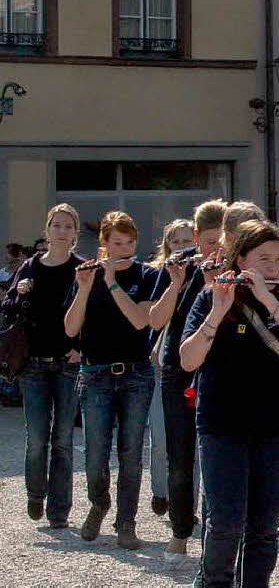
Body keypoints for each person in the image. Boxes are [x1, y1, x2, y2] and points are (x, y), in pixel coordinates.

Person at [180, 220, 279, 588]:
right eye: (262, 258)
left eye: (277, 259)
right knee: (224, 521)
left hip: (277, 424)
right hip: (222, 423)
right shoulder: (211, 296)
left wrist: (270, 299)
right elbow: (187, 359)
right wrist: (218, 312)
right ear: (240, 259)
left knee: (264, 526)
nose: (272, 266)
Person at [64, 211, 161, 549]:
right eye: (116, 243)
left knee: (131, 454)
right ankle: (98, 502)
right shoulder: (87, 276)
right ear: (103, 244)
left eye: (129, 242)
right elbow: (70, 329)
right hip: (95, 375)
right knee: (94, 453)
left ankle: (126, 523)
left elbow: (140, 321)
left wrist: (113, 283)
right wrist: (84, 289)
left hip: (135, 373)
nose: (124, 248)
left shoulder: (147, 275)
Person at [149, 199, 227, 564]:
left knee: (216, 455)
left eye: (221, 240)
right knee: (180, 457)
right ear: (195, 237)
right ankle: (180, 532)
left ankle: (215, 532)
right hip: (178, 374)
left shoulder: (232, 269)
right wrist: (177, 285)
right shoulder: (180, 268)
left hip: (219, 373)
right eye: (208, 241)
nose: (214, 248)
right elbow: (156, 320)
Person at [3, 204, 84, 527]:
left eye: (67, 226)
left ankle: (59, 511)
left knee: (63, 438)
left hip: (67, 364)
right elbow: (8, 310)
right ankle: (36, 494)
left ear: (75, 233)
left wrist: (81, 348)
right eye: (56, 225)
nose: (61, 231)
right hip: (33, 364)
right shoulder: (29, 268)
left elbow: (94, 313)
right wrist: (18, 293)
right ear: (47, 230)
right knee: (37, 437)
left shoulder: (83, 268)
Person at [146, 218, 196, 521]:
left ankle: (186, 506)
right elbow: (155, 319)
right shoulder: (163, 274)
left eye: (187, 240)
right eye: (176, 242)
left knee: (193, 444)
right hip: (164, 363)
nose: (183, 247)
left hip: (195, 363)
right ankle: (160, 491)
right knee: (161, 439)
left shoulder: (208, 271)